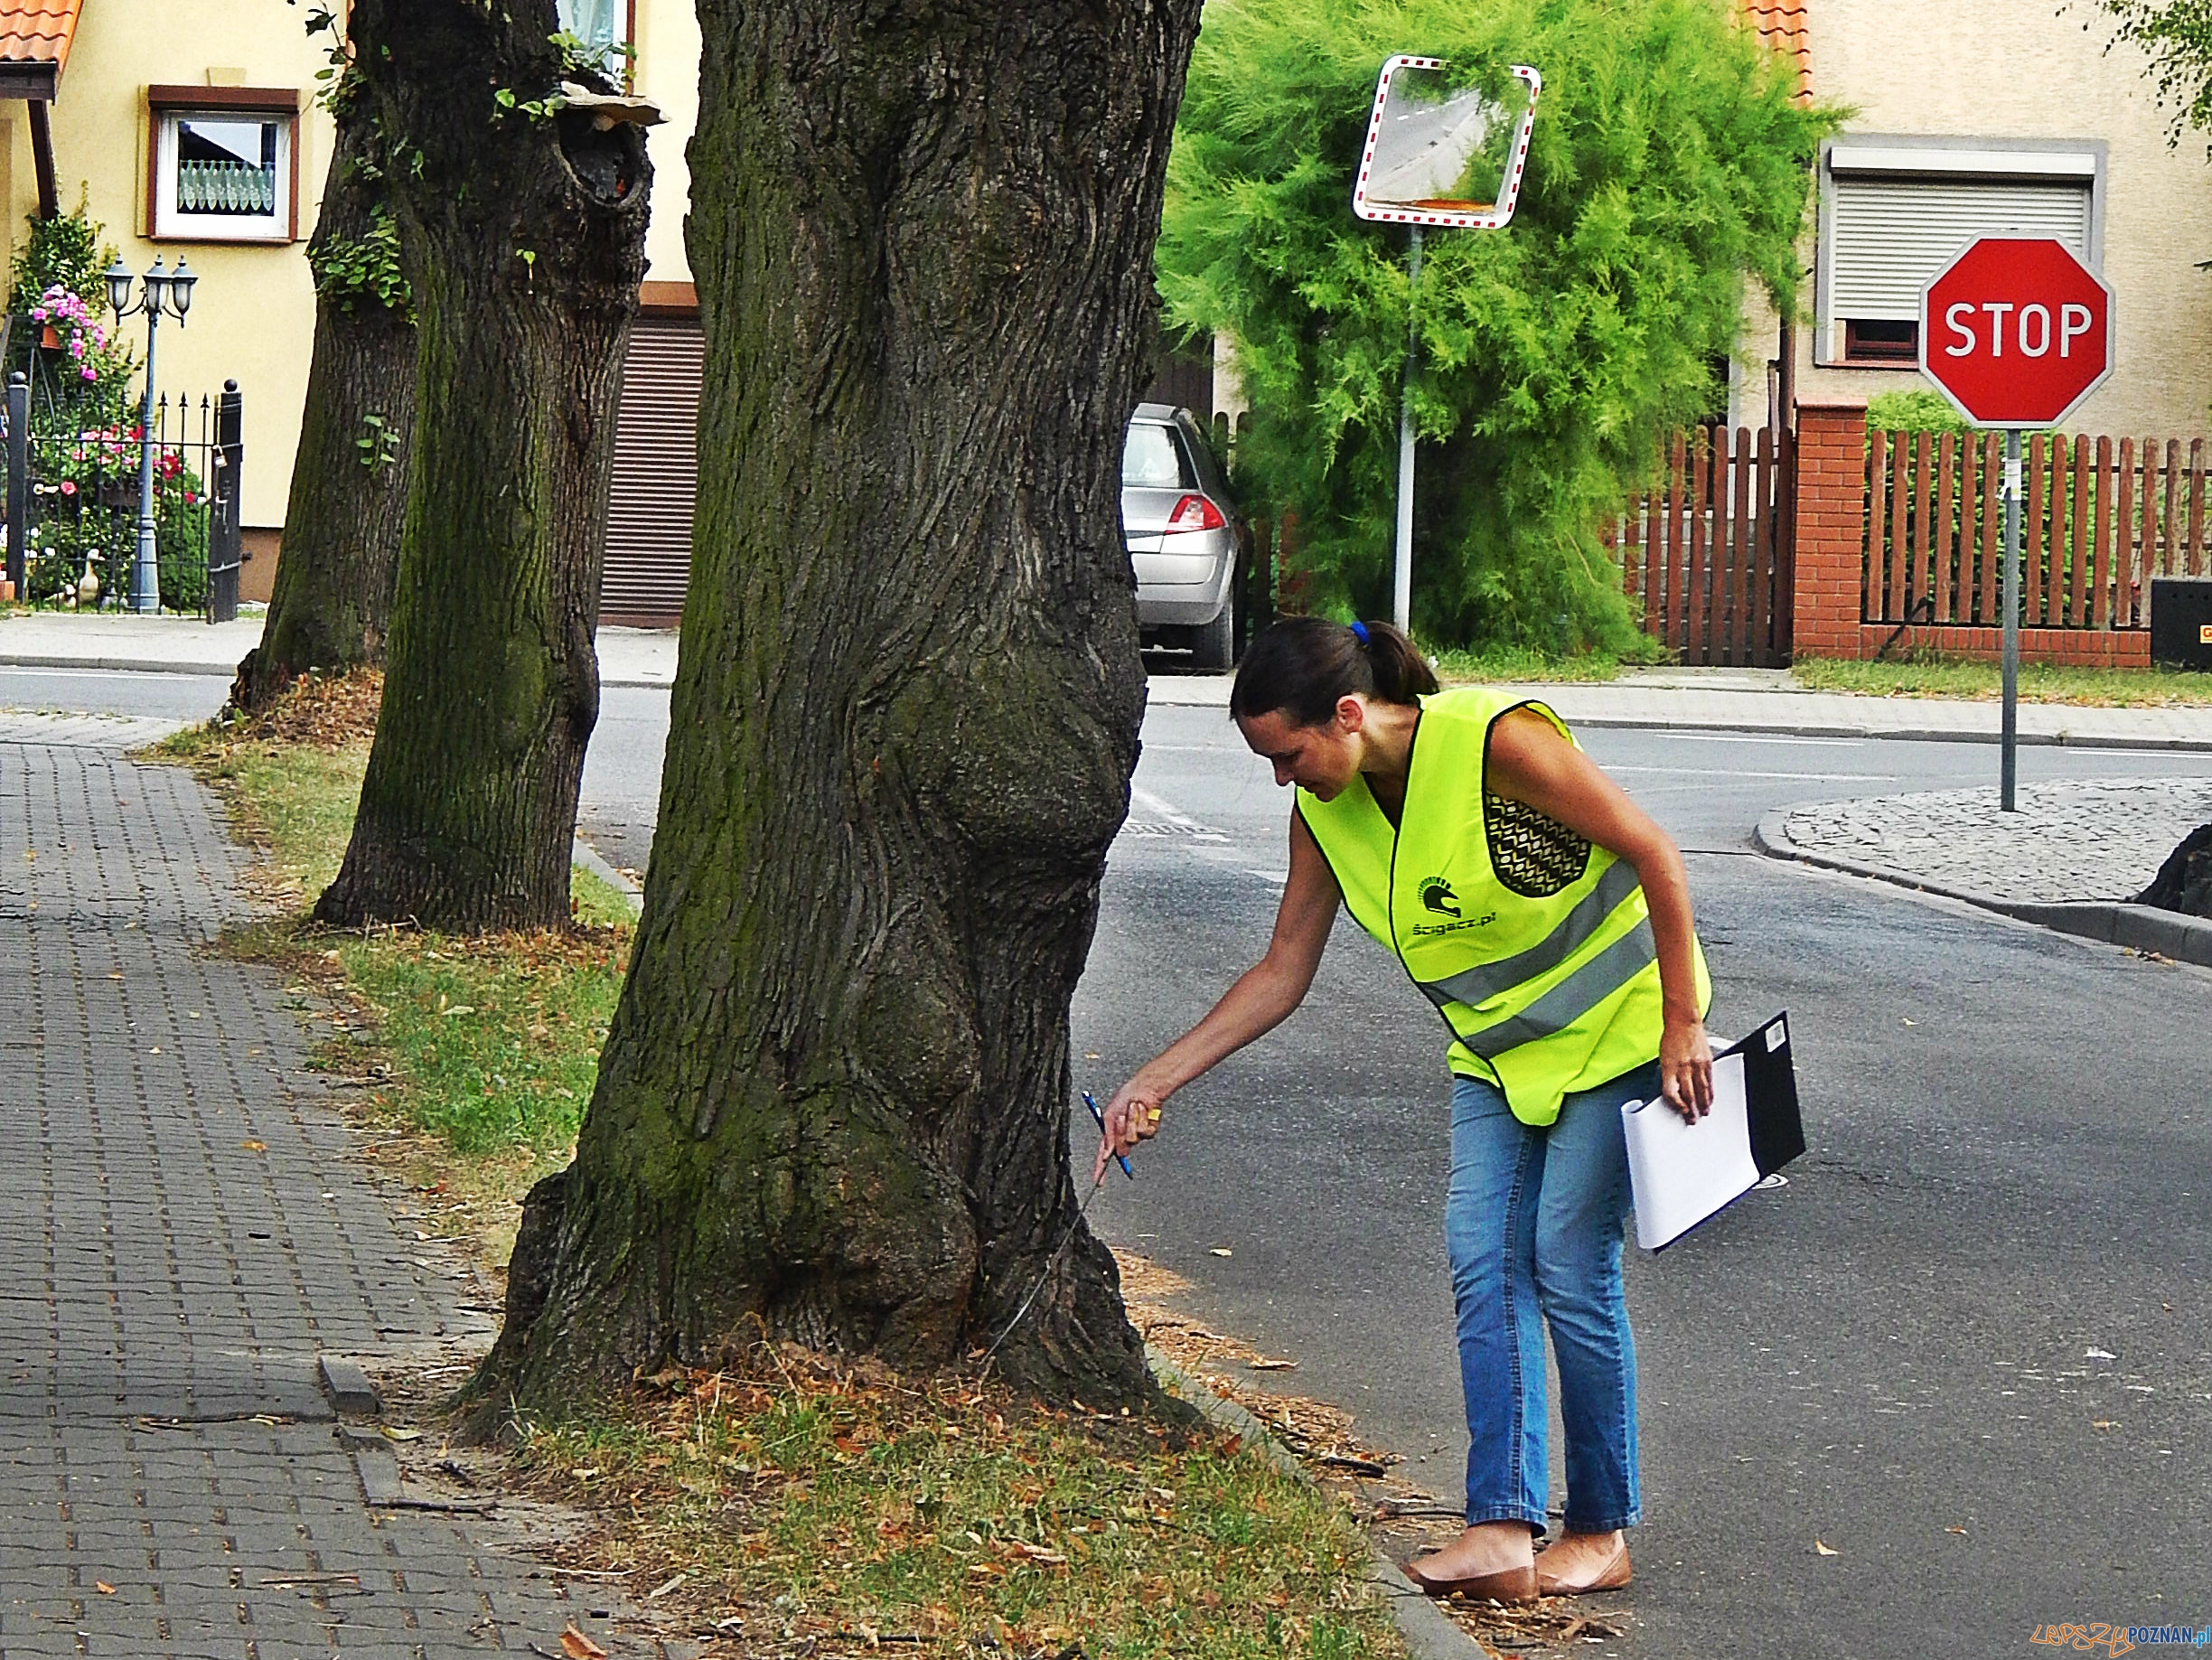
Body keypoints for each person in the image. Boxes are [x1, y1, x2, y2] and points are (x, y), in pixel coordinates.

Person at [1095, 616, 1714, 1603]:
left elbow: (1654, 852)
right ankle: (1503, 1527)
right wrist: (1153, 1079)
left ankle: (1600, 1530)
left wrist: (1683, 1021)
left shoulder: (1491, 741)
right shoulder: (1329, 816)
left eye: (1288, 754)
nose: (1282, 779)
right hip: (1499, 1058)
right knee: (1482, 1256)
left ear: (1346, 715)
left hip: (1621, 1028)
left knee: (1565, 1257)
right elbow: (1282, 970)